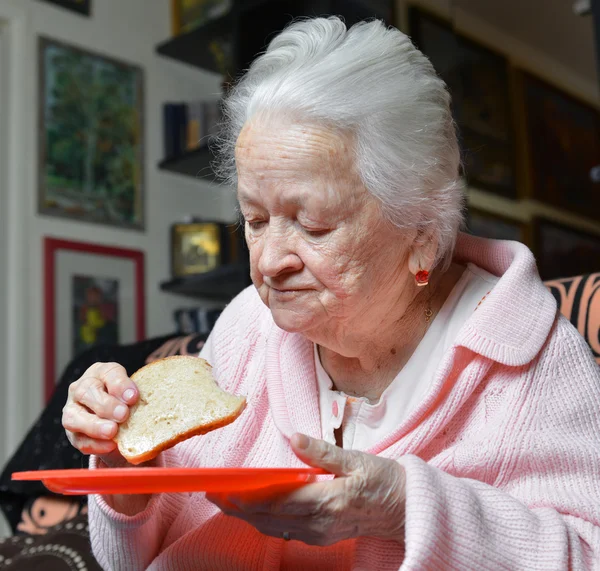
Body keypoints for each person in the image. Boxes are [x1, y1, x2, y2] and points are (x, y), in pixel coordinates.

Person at [62, 17, 600, 570]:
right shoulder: (249, 324)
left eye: (313, 225)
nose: (269, 263)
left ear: (420, 229)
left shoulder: (528, 357)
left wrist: (401, 508)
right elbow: (129, 561)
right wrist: (127, 473)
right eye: (253, 219)